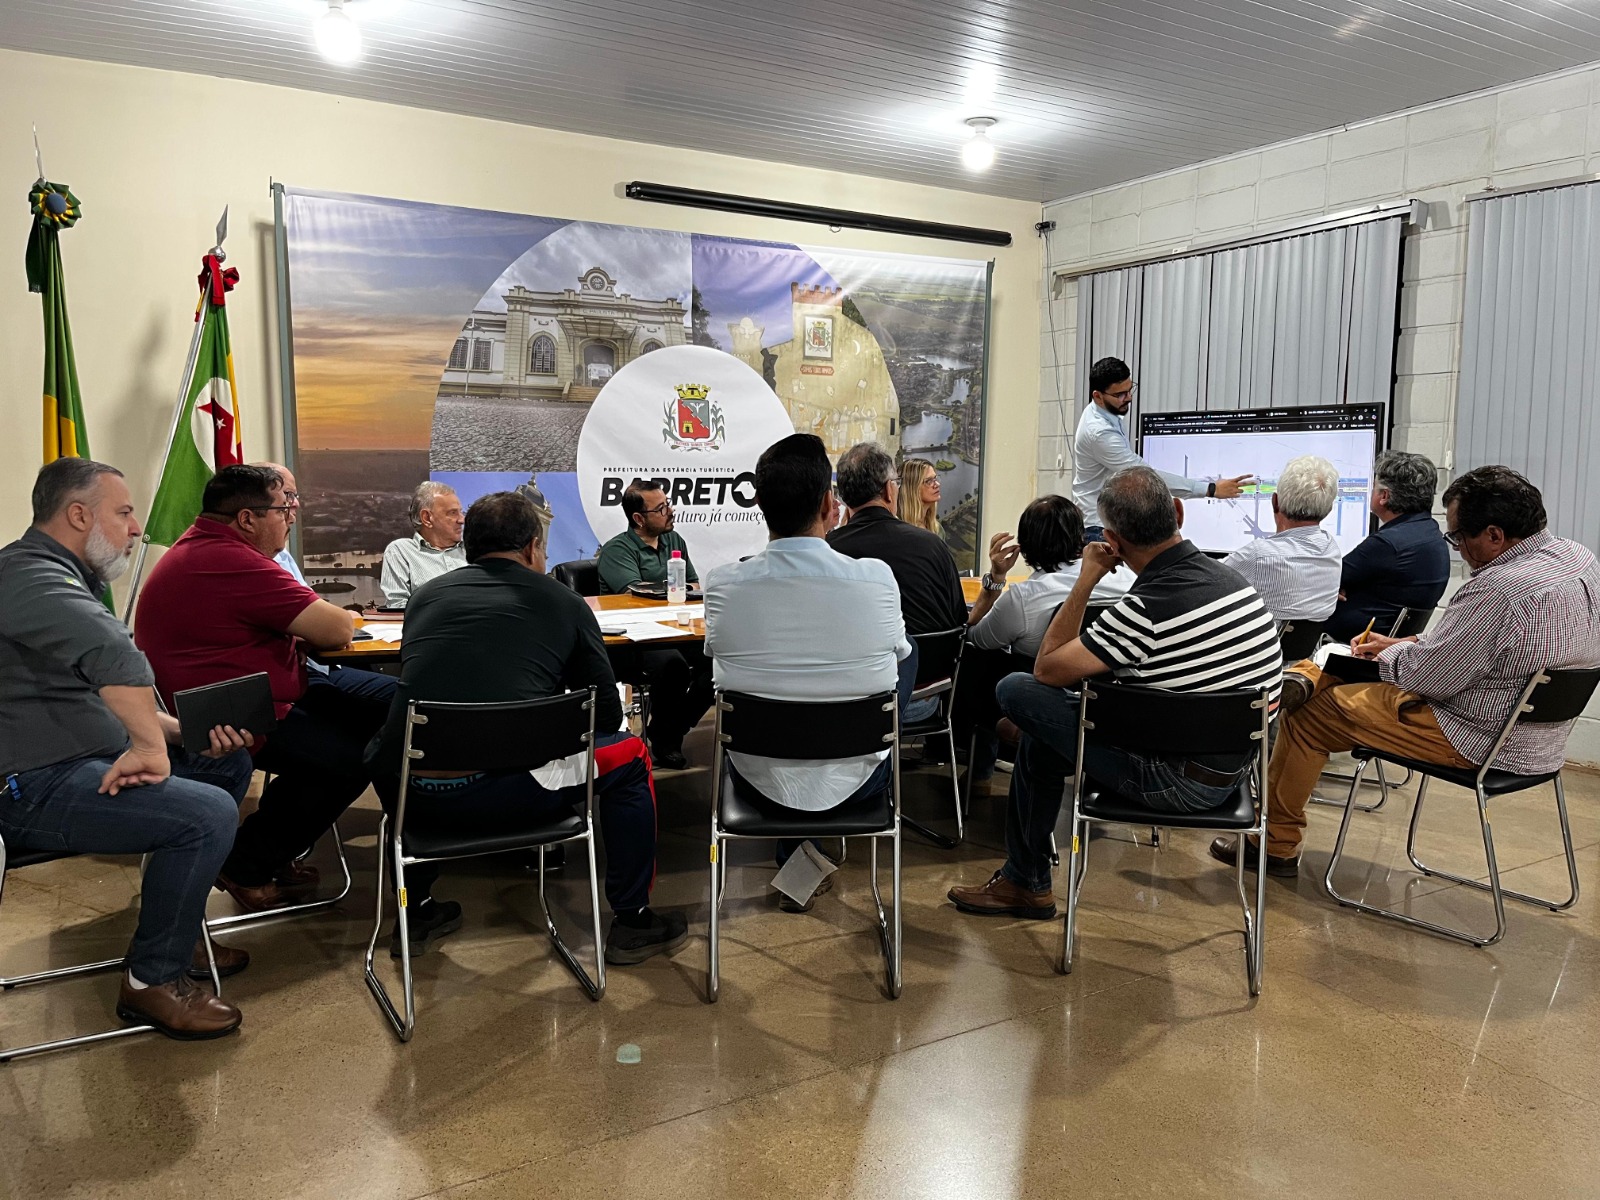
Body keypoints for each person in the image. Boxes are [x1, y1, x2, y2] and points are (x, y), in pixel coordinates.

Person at [1214, 465, 1600, 877]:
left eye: (1458, 538)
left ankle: (1274, 844)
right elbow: (1486, 652)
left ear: (1494, 535)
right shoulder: (1577, 558)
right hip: (1541, 740)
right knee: (1343, 667)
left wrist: (1385, 657)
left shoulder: (1500, 588)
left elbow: (1431, 678)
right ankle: (1308, 676)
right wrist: (1402, 644)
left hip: (1476, 737)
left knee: (1312, 713)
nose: (1459, 549)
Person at [365, 491, 686, 963]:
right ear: (534, 547)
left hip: (421, 796)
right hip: (519, 791)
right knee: (633, 754)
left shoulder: (425, 600)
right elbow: (606, 715)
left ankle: (417, 911)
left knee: (392, 744)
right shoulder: (564, 602)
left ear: (469, 546)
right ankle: (634, 919)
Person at [949, 466, 1282, 919]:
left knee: (1015, 689)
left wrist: (1087, 579)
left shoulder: (1146, 608)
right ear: (1178, 512)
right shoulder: (1237, 586)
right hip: (1237, 773)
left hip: (1176, 779)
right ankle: (1023, 881)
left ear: (1113, 541)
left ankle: (1025, 883)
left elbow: (1046, 670)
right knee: (1041, 748)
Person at [0, 458, 254, 1040]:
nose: (137, 527)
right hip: (28, 787)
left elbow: (87, 695)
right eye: (124, 512)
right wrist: (144, 744)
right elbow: (113, 652)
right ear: (78, 514)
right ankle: (151, 982)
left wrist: (173, 733)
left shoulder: (68, 574)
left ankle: (177, 921)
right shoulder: (25, 575)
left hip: (80, 760)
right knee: (206, 813)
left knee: (225, 758)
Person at [135, 465, 398, 912]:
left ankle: (275, 851)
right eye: (284, 506)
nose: (292, 514)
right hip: (227, 713)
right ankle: (246, 863)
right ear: (246, 519)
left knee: (385, 710)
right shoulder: (229, 559)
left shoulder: (205, 547)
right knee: (353, 758)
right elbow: (336, 628)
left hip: (259, 694)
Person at [703, 434, 915, 913]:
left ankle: (801, 859)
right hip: (860, 779)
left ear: (758, 505)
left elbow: (714, 655)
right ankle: (809, 859)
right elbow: (897, 655)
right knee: (906, 654)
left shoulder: (723, 585)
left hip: (757, 776)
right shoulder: (876, 578)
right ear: (828, 503)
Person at [957, 494, 1132, 779]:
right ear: (1080, 536)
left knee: (972, 658)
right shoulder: (1125, 580)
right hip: (1110, 701)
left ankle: (981, 767)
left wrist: (995, 579)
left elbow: (975, 636)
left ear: (1024, 546)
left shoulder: (1024, 597)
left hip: (1041, 693)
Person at [595, 480, 712, 770]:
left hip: (677, 630)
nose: (670, 511)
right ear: (638, 518)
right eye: (661, 508)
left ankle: (668, 730)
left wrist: (671, 589)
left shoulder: (675, 541)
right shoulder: (616, 550)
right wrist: (672, 588)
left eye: (668, 504)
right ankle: (666, 741)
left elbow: (694, 584)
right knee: (671, 666)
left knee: (717, 662)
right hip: (633, 640)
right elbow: (638, 597)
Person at [1072, 356, 1252, 538]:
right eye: (1120, 395)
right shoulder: (1099, 432)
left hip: (1108, 520)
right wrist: (1210, 489)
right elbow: (1144, 477)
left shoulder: (1106, 412)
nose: (1129, 398)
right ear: (1098, 396)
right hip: (1097, 528)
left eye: (1129, 389)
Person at [828, 442, 966, 636]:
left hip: (860, 664)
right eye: (896, 482)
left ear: (843, 495)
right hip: (936, 663)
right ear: (888, 490)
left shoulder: (829, 551)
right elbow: (959, 619)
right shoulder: (931, 545)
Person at [1326, 450, 1450, 642]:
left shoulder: (1388, 545)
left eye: (1374, 486)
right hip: (1388, 650)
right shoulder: (1432, 534)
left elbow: (1323, 582)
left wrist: (1333, 589)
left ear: (1384, 496)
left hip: (1348, 651)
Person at [1221, 454, 1343, 625]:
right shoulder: (1332, 549)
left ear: (1274, 501)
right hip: (1304, 651)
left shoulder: (1258, 556)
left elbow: (1204, 581)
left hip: (1259, 650)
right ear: (1329, 509)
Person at [380, 481, 465, 608]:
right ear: (426, 518)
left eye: (460, 512)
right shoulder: (401, 551)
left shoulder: (476, 549)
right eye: (452, 513)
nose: (461, 519)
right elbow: (398, 607)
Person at [897, 458, 941, 534]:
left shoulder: (937, 529)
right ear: (912, 488)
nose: (937, 484)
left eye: (935, 478)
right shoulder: (898, 530)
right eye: (928, 481)